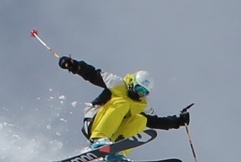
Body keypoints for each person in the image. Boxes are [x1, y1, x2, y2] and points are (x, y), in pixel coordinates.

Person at [56, 56, 194, 153]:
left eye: (144, 92)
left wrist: (178, 121)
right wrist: (75, 65)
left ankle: (116, 151)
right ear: (132, 83)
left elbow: (156, 122)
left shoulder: (142, 104)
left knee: (142, 120)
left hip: (113, 132)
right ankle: (99, 139)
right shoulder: (118, 84)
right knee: (122, 103)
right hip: (95, 122)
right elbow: (92, 74)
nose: (139, 94)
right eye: (139, 89)